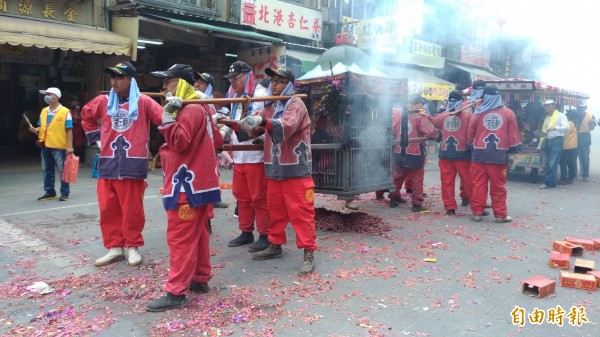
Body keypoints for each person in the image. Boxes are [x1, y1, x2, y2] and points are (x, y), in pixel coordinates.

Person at [146, 64, 223, 312]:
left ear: (180, 83)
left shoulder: (190, 110)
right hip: (198, 183)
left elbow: (179, 142)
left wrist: (167, 117)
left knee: (179, 239)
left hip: (186, 185)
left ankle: (176, 292)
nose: (163, 87)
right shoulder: (199, 108)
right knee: (199, 234)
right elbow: (217, 141)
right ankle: (200, 278)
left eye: (168, 82)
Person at [81, 61, 163, 267]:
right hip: (108, 163)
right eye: (112, 77)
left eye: (120, 77)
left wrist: (175, 106)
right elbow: (86, 116)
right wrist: (98, 141)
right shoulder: (103, 101)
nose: (114, 81)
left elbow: (164, 119)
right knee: (108, 207)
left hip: (132, 163)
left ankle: (132, 246)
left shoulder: (144, 102)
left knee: (132, 209)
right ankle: (115, 247)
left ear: (131, 80)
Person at [236, 67, 317, 275]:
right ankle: (274, 244)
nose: (274, 84)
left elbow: (286, 126)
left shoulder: (296, 104)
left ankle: (308, 252)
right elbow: (254, 126)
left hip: (296, 170)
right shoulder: (271, 106)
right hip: (274, 169)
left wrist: (262, 121)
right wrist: (233, 124)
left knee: (301, 213)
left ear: (289, 84)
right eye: (272, 81)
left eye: (279, 81)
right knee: (275, 211)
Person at [220, 61, 270, 252]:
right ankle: (246, 231)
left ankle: (265, 234)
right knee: (242, 197)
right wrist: (223, 130)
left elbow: (262, 122)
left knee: (259, 197)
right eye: (231, 79)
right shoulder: (235, 95)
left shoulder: (260, 94)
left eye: (236, 78)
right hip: (240, 155)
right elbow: (231, 119)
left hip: (255, 156)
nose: (233, 82)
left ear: (247, 76)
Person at [467, 86, 520, 223]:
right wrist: (513, 153)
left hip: (479, 154)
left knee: (478, 185)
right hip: (499, 155)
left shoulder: (478, 113)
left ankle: (477, 213)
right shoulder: (508, 113)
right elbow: (513, 134)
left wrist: (470, 147)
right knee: (499, 187)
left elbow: (470, 134)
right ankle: (500, 215)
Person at [391, 94, 439, 212]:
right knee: (417, 179)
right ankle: (417, 204)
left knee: (397, 176)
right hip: (415, 153)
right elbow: (431, 133)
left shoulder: (399, 116)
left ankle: (393, 199)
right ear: (419, 104)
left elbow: (392, 130)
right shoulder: (420, 117)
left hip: (399, 151)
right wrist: (438, 134)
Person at [432, 90, 474, 215]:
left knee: (447, 182)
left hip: (445, 153)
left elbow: (435, 123)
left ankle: (449, 207)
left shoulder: (442, 116)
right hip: (463, 154)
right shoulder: (468, 116)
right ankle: (475, 206)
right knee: (468, 181)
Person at [29, 87, 74, 201]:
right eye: (46, 94)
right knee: (47, 170)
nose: (46, 96)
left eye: (49, 94)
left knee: (62, 170)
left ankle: (65, 193)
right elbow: (42, 126)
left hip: (59, 146)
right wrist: (35, 129)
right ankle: (50, 192)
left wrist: (69, 146)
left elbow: (69, 130)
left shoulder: (65, 111)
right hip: (45, 145)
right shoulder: (44, 111)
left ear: (56, 97)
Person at [538, 100, 569, 189]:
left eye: (548, 105)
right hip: (548, 140)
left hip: (557, 141)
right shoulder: (547, 117)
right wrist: (540, 145)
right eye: (545, 105)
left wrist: (555, 128)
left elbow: (567, 127)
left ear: (553, 106)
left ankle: (548, 183)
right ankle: (551, 182)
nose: (546, 107)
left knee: (552, 163)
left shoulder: (561, 115)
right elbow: (544, 132)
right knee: (548, 163)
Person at [574, 104, 595, 181]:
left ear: (585, 108)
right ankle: (573, 174)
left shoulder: (590, 116)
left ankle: (585, 175)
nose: (581, 109)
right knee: (573, 157)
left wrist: (592, 123)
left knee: (585, 158)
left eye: (583, 108)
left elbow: (592, 128)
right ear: (578, 108)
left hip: (585, 138)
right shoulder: (575, 115)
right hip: (575, 137)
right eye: (580, 108)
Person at [558, 112, 577, 185]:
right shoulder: (575, 124)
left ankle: (563, 179)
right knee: (571, 163)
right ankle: (570, 178)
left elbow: (562, 133)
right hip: (574, 146)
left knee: (563, 163)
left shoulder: (568, 123)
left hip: (565, 146)